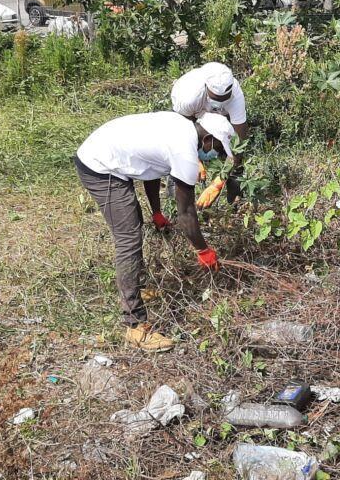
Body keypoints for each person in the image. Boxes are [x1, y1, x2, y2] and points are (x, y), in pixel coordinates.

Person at [74, 111, 236, 352]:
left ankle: (137, 288)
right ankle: (135, 325)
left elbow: (151, 170)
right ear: (208, 139)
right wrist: (203, 250)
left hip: (107, 152)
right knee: (128, 238)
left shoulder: (181, 126)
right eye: (219, 150)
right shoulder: (185, 152)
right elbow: (186, 213)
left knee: (133, 224)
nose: (216, 156)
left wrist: (156, 212)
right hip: (99, 165)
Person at [170, 62, 248, 201]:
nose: (219, 102)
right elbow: (181, 132)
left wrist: (218, 183)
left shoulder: (236, 96)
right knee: (180, 162)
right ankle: (176, 202)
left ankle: (236, 200)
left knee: (233, 158)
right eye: (216, 98)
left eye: (224, 99)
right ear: (206, 87)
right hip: (191, 116)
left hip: (221, 118)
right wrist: (195, 159)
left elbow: (238, 143)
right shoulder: (187, 96)